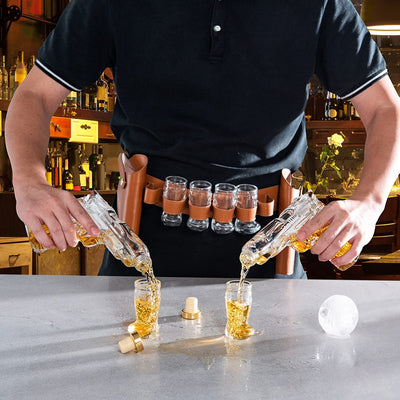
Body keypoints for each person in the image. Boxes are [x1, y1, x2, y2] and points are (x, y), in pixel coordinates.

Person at [5, 0, 400, 279]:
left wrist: (369, 202)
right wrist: (28, 181)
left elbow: (386, 109)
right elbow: (35, 95)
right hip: (138, 259)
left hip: (270, 261)